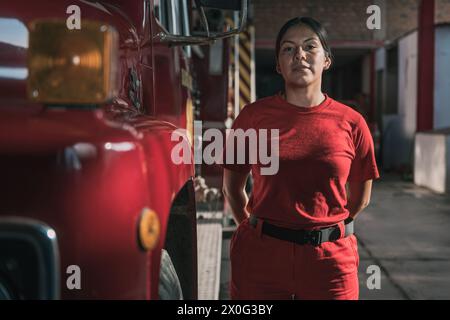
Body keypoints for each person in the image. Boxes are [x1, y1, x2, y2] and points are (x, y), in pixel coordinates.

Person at [221, 17, 380, 300]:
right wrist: (253, 229)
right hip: (262, 257)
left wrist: (327, 229)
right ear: (279, 65)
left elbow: (360, 199)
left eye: (310, 46)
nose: (299, 55)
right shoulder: (253, 117)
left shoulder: (352, 122)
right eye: (288, 49)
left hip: (330, 262)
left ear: (327, 60)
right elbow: (232, 188)